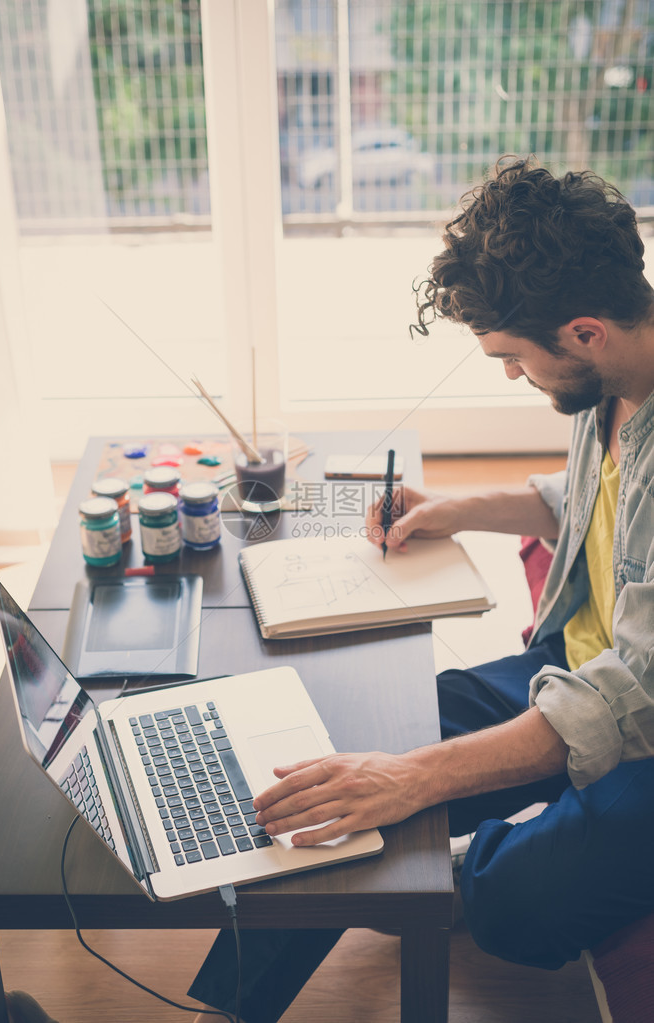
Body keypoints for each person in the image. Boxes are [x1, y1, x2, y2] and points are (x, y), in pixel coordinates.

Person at [187, 155, 654, 1022]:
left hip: (644, 724)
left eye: (513, 357)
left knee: (513, 898)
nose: (512, 376)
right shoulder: (614, 383)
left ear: (584, 332)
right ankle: (227, 1010)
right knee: (346, 753)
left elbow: (631, 702)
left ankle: (454, 866)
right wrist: (451, 507)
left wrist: (415, 781)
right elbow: (587, 504)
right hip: (573, 664)